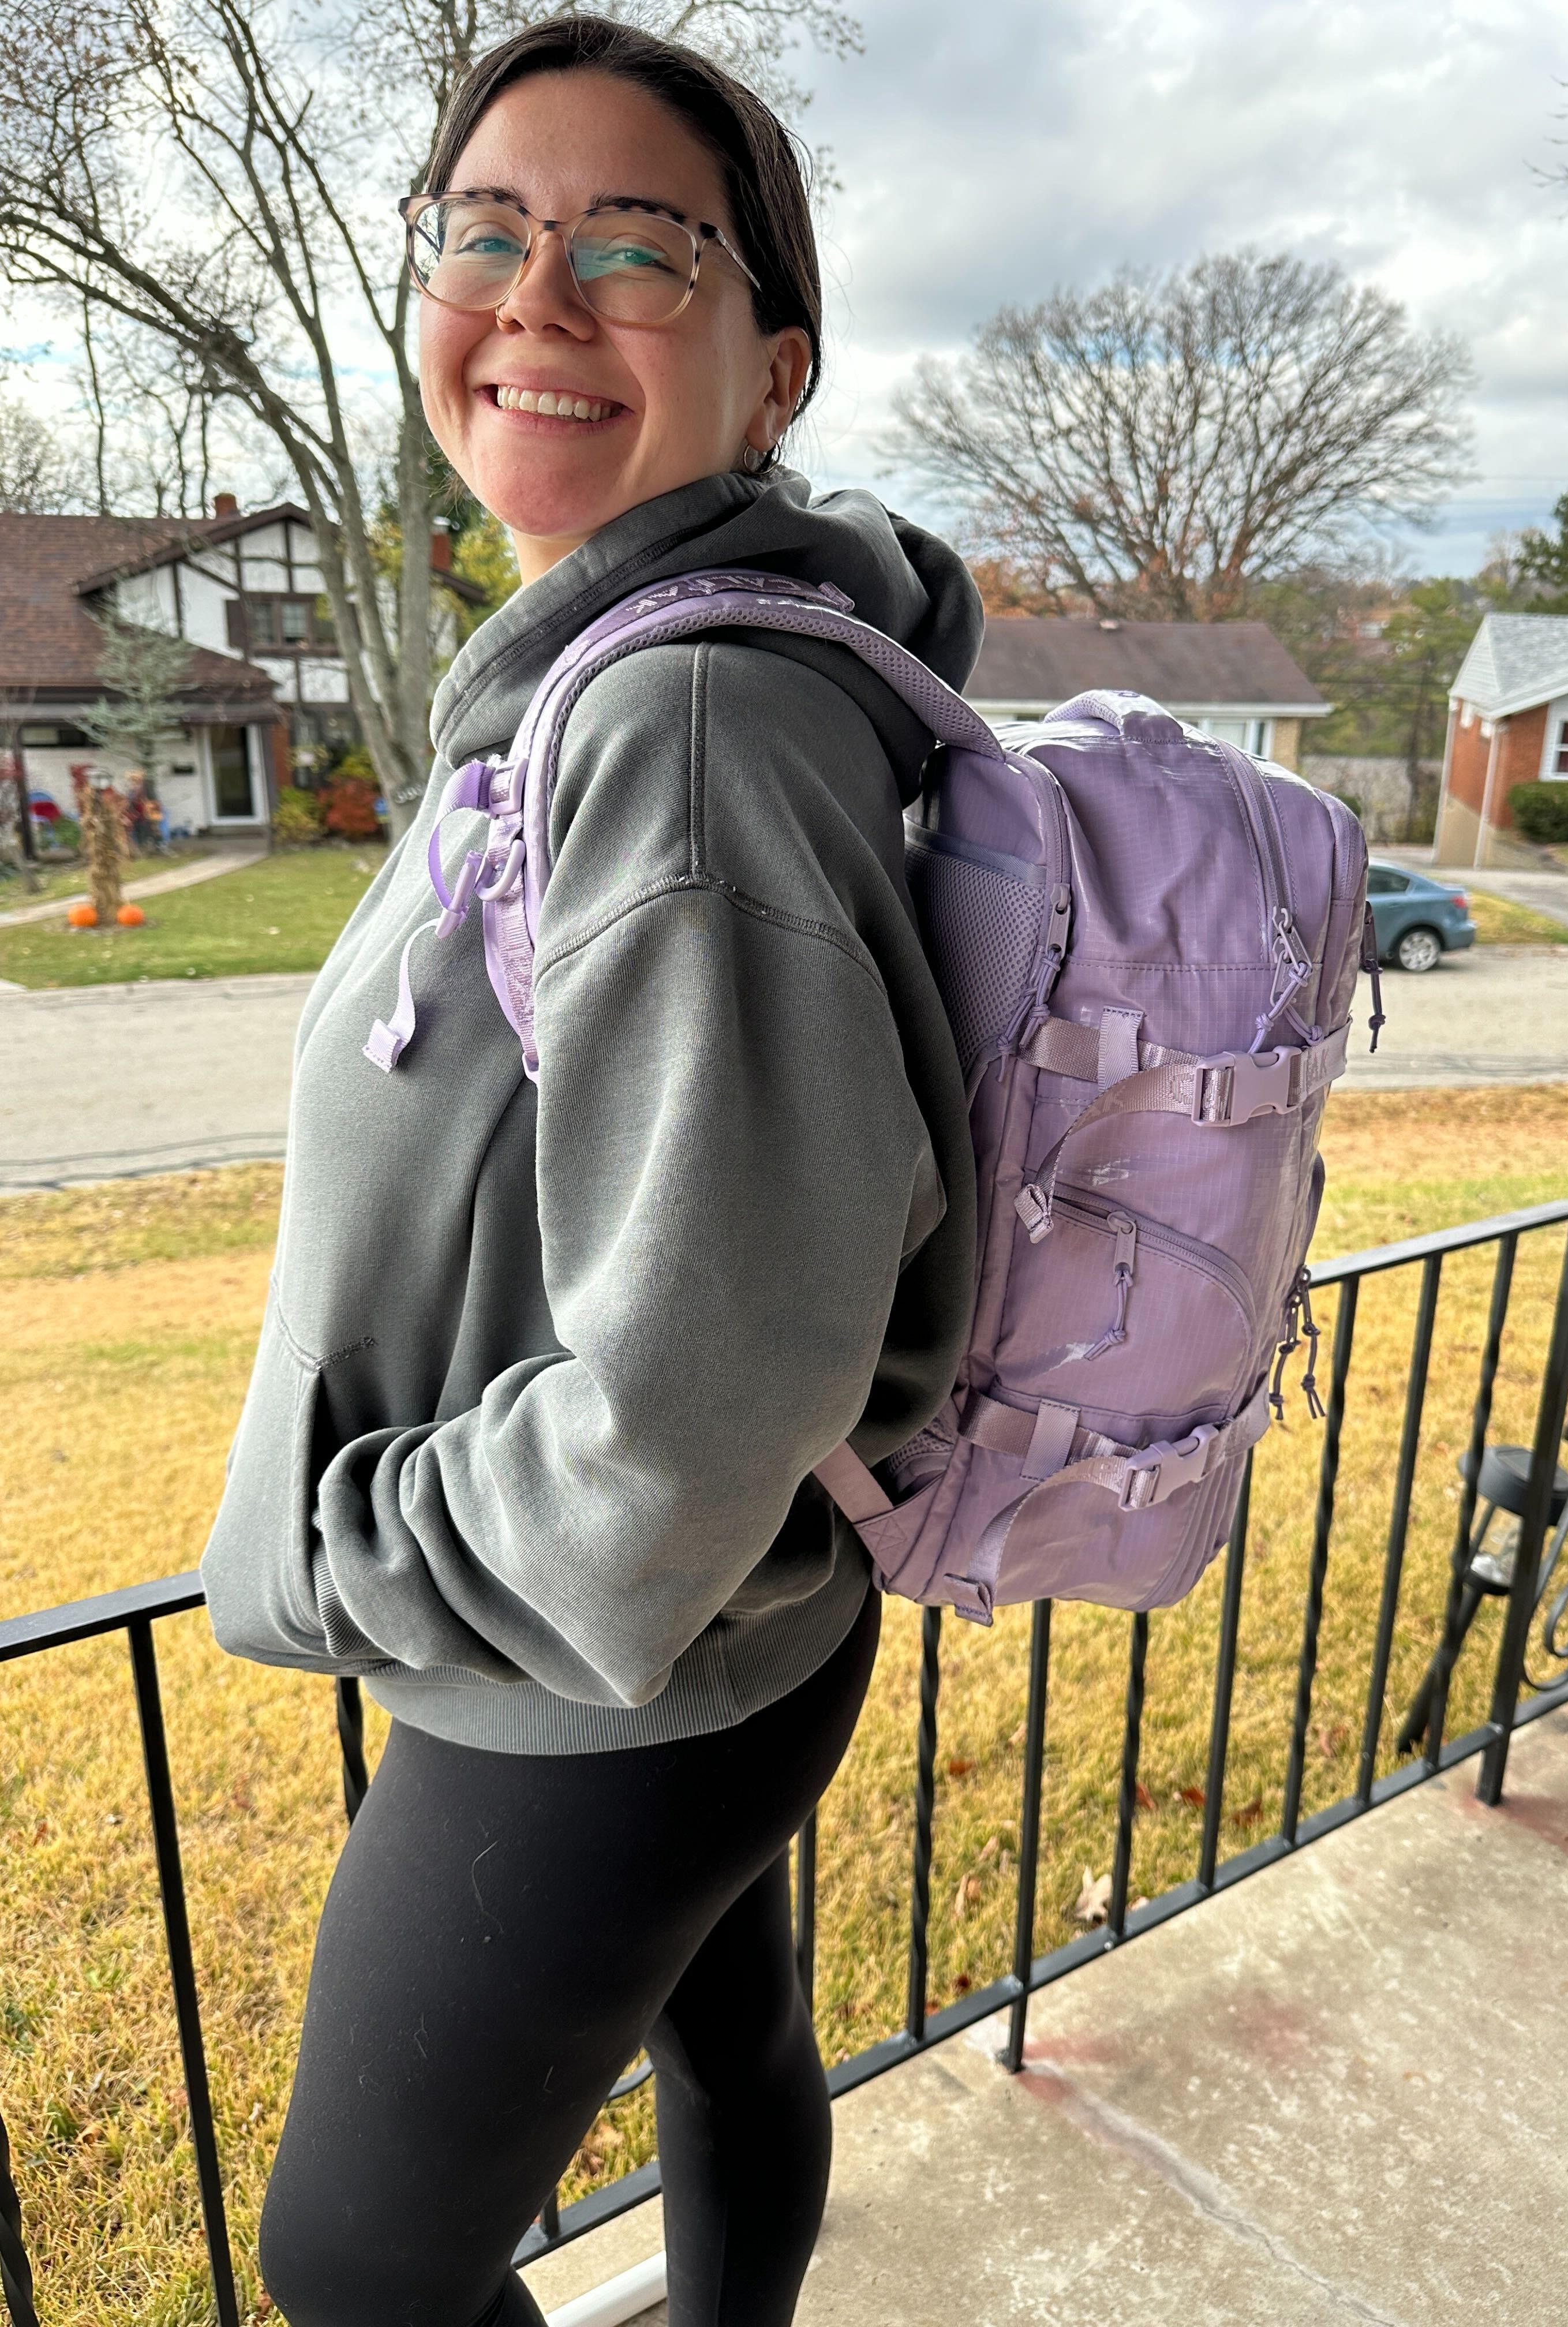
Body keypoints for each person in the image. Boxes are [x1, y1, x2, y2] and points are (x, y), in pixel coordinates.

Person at [197, 14, 980, 2326]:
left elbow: (699, 1400)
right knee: (730, 2044)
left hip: (597, 1675)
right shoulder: (646, 669)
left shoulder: (687, 723)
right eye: (487, 232)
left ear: (773, 367)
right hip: (738, 1633)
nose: (539, 296)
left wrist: (353, 1544)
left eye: (640, 250)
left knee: (355, 2269)